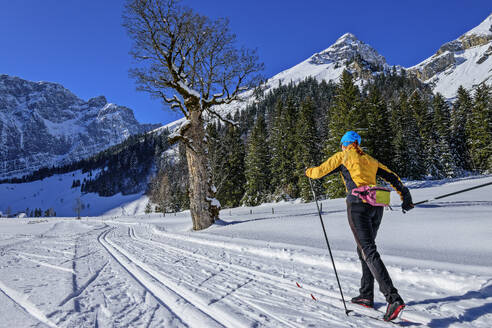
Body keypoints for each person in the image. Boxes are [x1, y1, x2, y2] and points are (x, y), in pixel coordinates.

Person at [305, 131, 414, 321]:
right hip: (376, 208)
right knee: (363, 249)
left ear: (345, 144)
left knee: (368, 251)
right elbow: (393, 177)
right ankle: (366, 294)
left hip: (357, 206)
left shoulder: (343, 156)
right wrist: (406, 197)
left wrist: (308, 171)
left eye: (341, 144)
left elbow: (318, 172)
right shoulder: (370, 160)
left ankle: (393, 298)